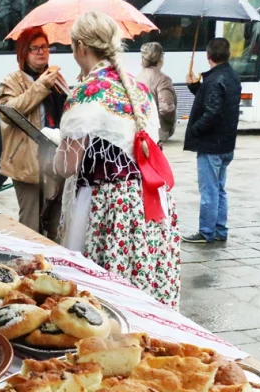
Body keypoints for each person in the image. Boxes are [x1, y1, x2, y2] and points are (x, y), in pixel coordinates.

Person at [53, 12, 181, 309]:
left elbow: (67, 167)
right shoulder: (140, 89)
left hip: (109, 206)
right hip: (148, 203)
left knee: (101, 296)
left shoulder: (85, 93)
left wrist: (53, 150)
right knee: (141, 287)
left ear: (80, 47)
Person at [0, 27, 68, 238]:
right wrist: (40, 86)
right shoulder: (12, 81)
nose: (40, 52)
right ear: (23, 53)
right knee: (30, 223)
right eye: (33, 48)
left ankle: (52, 257)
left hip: (55, 159)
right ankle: (30, 257)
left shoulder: (56, 79)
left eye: (44, 47)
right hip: (25, 162)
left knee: (55, 221)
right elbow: (8, 112)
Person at [182, 38, 241, 244]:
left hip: (211, 145)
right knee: (220, 189)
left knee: (209, 191)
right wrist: (195, 86)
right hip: (226, 143)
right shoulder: (231, 76)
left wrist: (195, 129)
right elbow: (212, 100)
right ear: (228, 55)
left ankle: (206, 231)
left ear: (208, 56)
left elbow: (212, 111)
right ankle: (219, 230)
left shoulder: (214, 79)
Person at [137, 42, 177, 144]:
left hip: (141, 130)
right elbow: (166, 108)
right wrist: (171, 123)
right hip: (157, 131)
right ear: (160, 58)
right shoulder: (163, 79)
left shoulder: (138, 76)